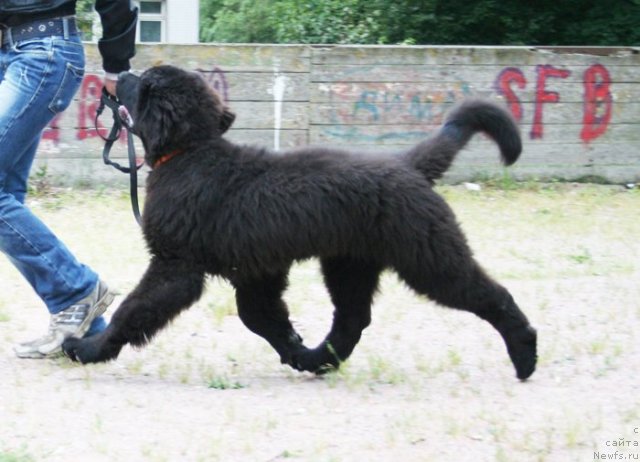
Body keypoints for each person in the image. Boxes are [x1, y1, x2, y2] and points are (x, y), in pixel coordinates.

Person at [0, 0, 138, 358]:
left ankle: (76, 292)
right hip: (11, 51)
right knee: (5, 195)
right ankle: (87, 331)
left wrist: (116, 64)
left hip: (43, 51)